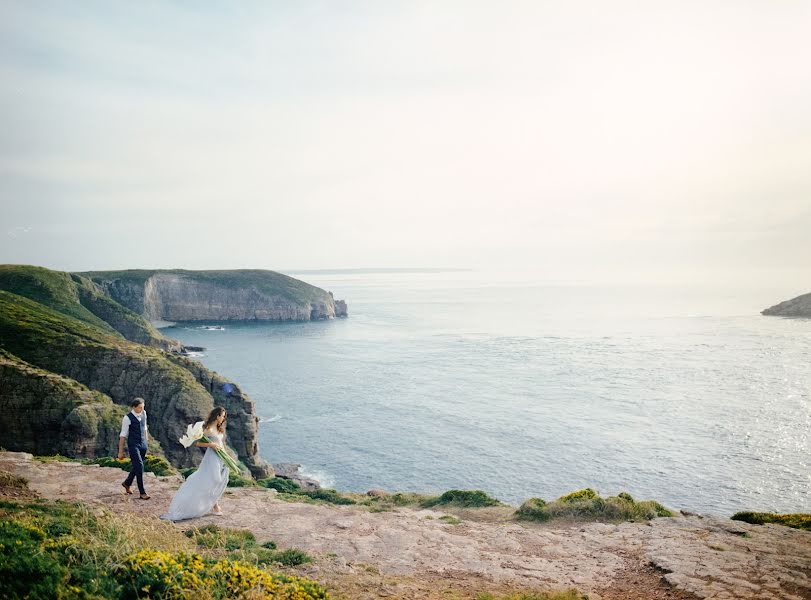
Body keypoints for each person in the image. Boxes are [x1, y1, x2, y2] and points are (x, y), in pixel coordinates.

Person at [161, 407, 230, 521]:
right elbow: (198, 443)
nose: (223, 419)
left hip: (220, 457)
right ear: (217, 416)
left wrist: (224, 454)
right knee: (215, 480)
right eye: (222, 416)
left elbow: (220, 443)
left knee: (218, 480)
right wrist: (211, 445)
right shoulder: (208, 429)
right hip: (212, 457)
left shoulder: (218, 428)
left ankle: (215, 506)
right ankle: (215, 506)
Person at [118, 397, 151, 500]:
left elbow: (145, 428)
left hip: (143, 444)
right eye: (140, 408)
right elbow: (123, 436)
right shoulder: (127, 418)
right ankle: (142, 492)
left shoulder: (144, 413)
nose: (142, 409)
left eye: (143, 407)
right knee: (140, 466)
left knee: (137, 465)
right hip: (133, 445)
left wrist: (146, 442)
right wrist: (120, 452)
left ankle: (127, 483)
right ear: (134, 407)